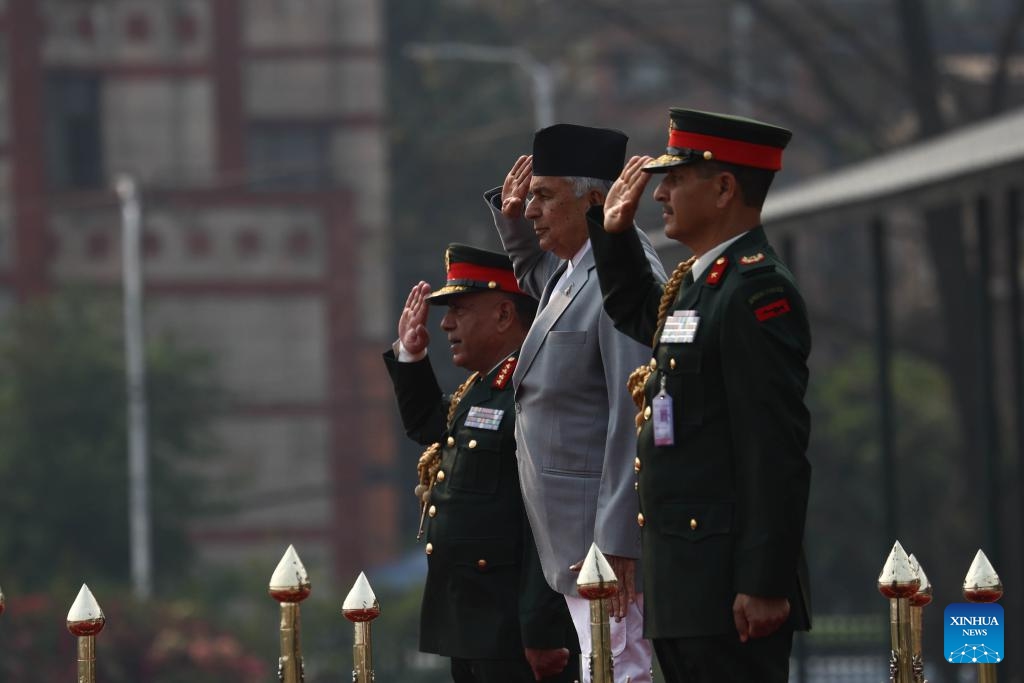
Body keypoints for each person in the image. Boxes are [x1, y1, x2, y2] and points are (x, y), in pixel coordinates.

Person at [589, 107, 813, 682]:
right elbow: (641, 315)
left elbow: (774, 447)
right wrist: (612, 238)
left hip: (728, 591)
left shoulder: (755, 289)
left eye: (676, 179)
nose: (659, 194)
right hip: (686, 585)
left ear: (723, 188)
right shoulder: (699, 283)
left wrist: (763, 583)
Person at [485, 124, 666, 683]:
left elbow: (631, 413)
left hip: (602, 538)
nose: (530, 208)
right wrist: (512, 220)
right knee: (603, 667)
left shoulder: (624, 273)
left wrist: (618, 537)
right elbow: (539, 278)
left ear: (592, 199)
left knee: (619, 669)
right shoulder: (575, 267)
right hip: (571, 536)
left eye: (544, 196)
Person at [383, 243, 580, 683]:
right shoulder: (485, 386)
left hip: (515, 627)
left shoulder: (533, 388)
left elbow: (546, 522)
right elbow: (432, 426)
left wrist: (542, 627)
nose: (447, 323)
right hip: (472, 623)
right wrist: (411, 356)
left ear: (505, 315)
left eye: (461, 309)